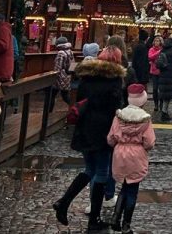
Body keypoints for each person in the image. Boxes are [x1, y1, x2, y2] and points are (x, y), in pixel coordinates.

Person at [53, 45, 126, 230]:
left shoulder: (87, 77)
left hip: (85, 128)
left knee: (89, 169)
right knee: (101, 172)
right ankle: (94, 218)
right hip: (103, 131)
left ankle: (64, 201)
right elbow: (116, 108)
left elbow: (81, 100)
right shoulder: (115, 81)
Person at [106, 90, 155, 233]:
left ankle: (116, 217)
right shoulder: (145, 119)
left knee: (124, 186)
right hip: (137, 154)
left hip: (120, 153)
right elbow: (149, 142)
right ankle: (126, 224)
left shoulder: (119, 116)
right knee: (132, 190)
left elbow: (111, 138)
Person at [155, 34, 172, 123]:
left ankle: (164, 112)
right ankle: (165, 113)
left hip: (163, 74)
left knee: (166, 95)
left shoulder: (164, 48)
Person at [52, 38, 75, 110]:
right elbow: (73, 65)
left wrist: (54, 76)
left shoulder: (60, 53)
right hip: (67, 76)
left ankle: (48, 113)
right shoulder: (70, 51)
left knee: (52, 96)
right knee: (65, 95)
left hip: (60, 77)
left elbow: (57, 67)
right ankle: (74, 107)